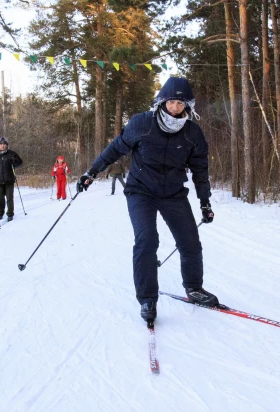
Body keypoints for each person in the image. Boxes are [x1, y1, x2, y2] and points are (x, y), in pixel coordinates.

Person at [76, 77, 216, 324]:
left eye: (181, 103)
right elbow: (116, 148)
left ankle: (194, 288)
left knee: (190, 242)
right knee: (147, 240)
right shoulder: (142, 123)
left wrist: (205, 202)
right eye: (171, 101)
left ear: (188, 105)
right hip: (141, 191)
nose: (175, 108)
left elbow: (200, 170)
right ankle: (148, 299)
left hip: (173, 192)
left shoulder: (193, 133)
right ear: (162, 101)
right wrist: (92, 171)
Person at [0, 137, 23, 221]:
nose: (2, 146)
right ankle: (0, 213)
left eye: (4, 144)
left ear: (7, 145)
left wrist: (14, 161)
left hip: (9, 179)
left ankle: (10, 214)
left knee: (9, 197)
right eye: (1, 144)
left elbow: (20, 162)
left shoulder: (12, 153)